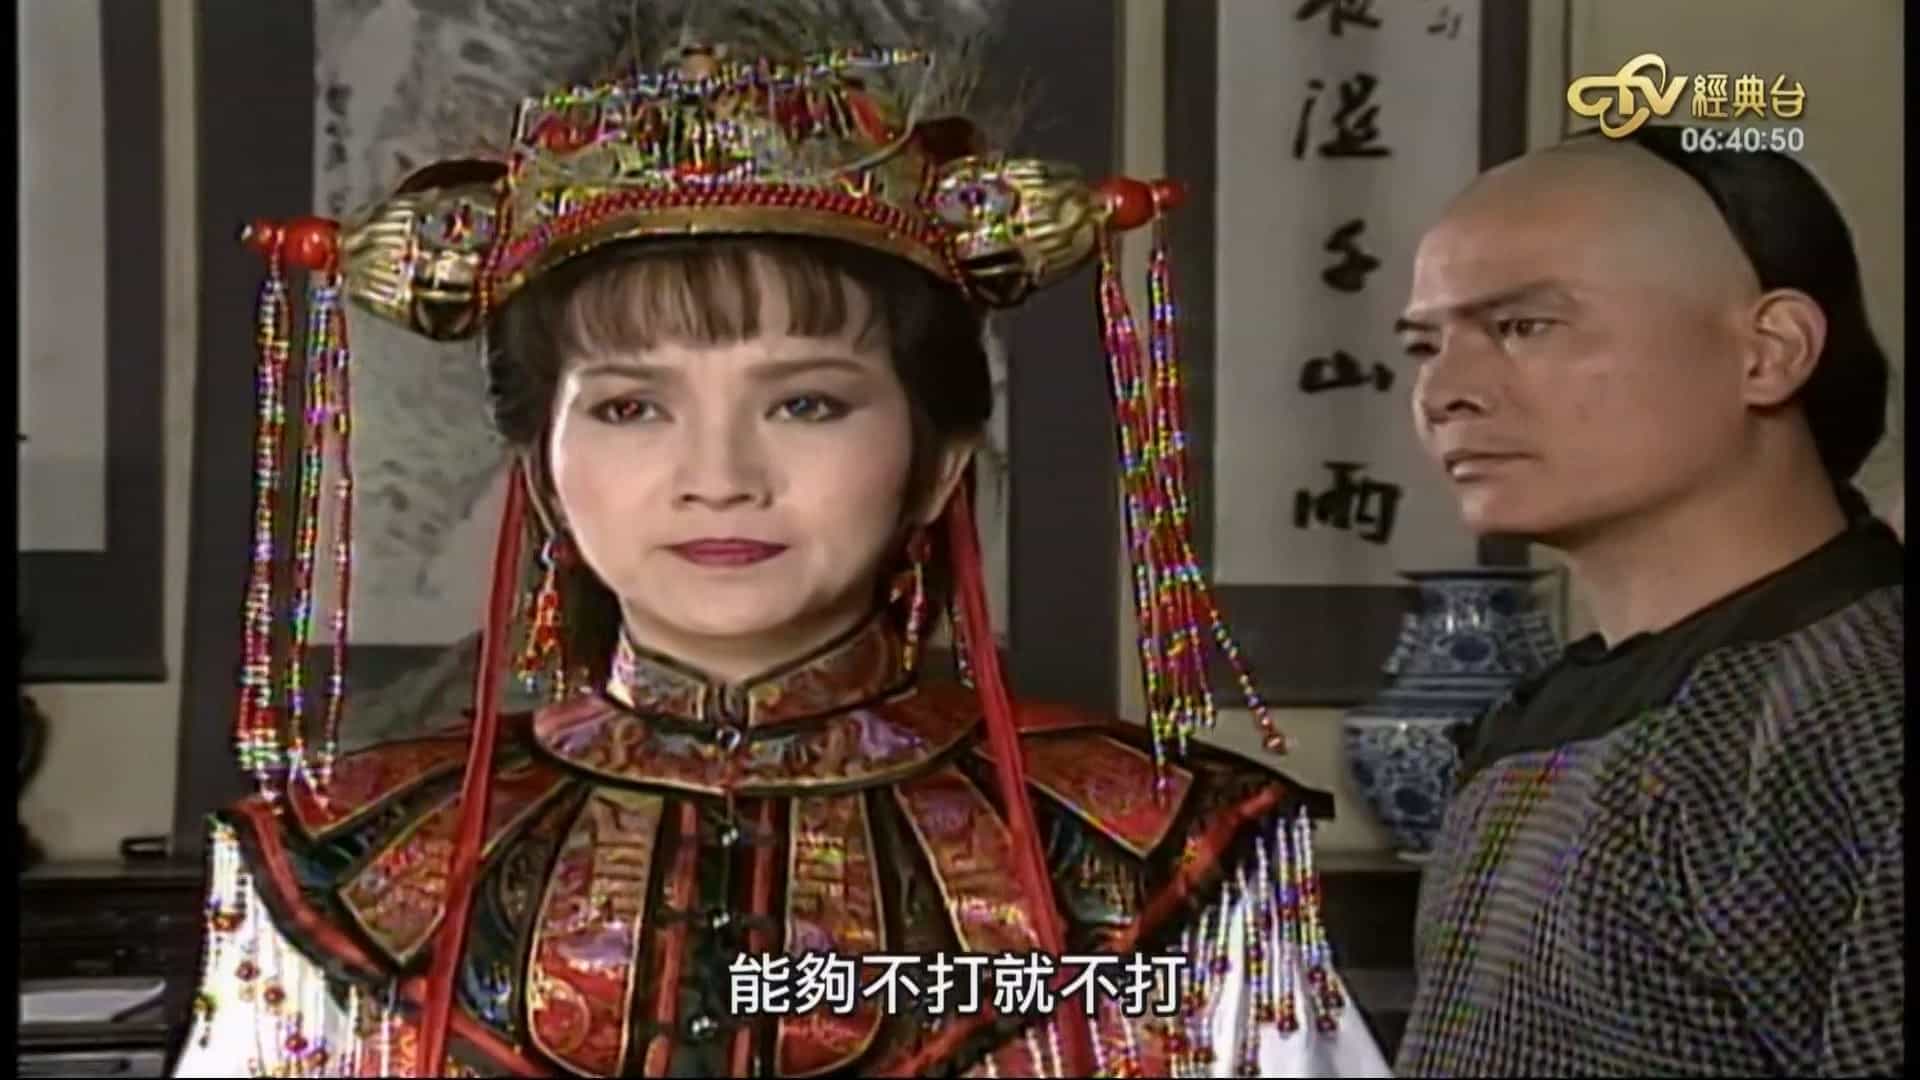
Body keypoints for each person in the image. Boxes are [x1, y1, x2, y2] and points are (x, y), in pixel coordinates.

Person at [174, 16, 1392, 1080]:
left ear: (938, 462)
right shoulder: (337, 869)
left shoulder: (1169, 863)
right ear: (542, 471)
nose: (719, 475)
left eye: (806, 402)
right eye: (631, 407)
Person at [1392, 126, 1904, 1077]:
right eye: (1426, 345)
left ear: (1770, 351)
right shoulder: (1551, 715)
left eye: (1524, 327)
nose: (1445, 392)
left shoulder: (1859, 713)